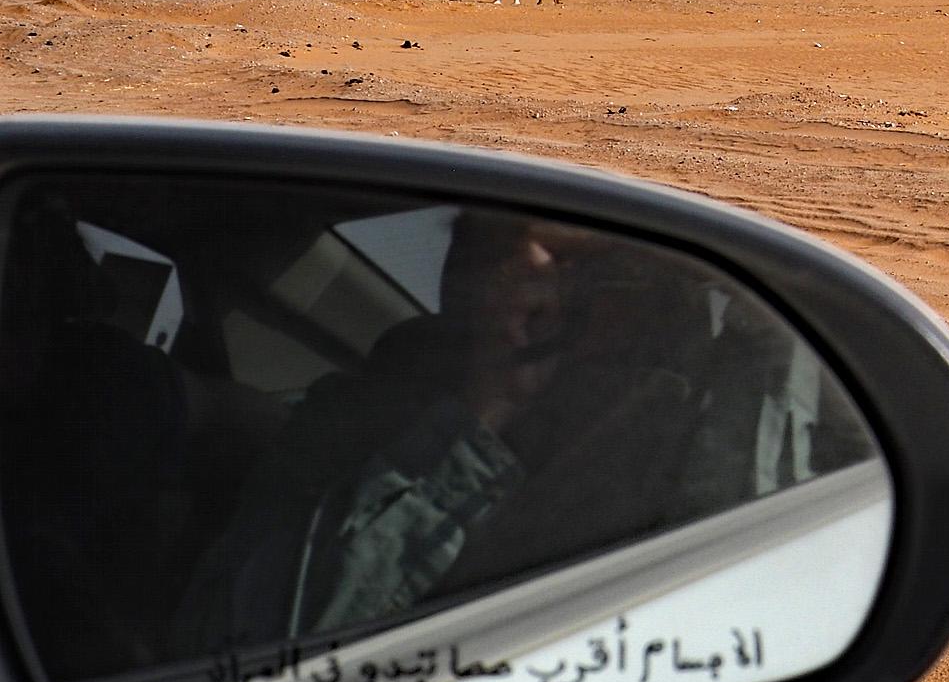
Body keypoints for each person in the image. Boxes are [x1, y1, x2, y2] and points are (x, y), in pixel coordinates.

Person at [174, 210, 701, 655]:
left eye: (634, 274)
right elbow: (244, 653)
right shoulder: (365, 417)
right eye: (569, 268)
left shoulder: (692, 442)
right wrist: (492, 404)